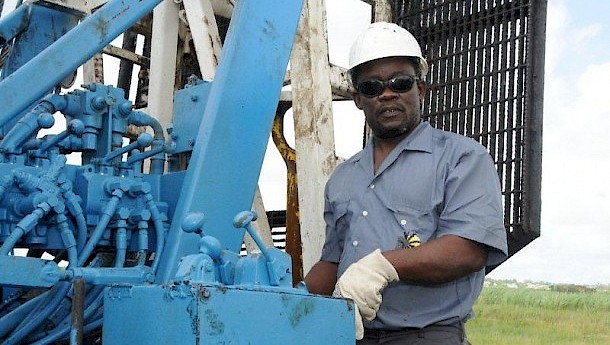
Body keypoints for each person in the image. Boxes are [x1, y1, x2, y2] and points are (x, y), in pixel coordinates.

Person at [304, 22, 508, 344]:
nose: (387, 93)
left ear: (420, 89)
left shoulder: (461, 158)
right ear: (358, 99)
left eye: (400, 82)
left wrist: (383, 266)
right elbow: (332, 261)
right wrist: (289, 300)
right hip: (352, 334)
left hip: (428, 335)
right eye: (372, 87)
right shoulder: (343, 179)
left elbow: (468, 250)